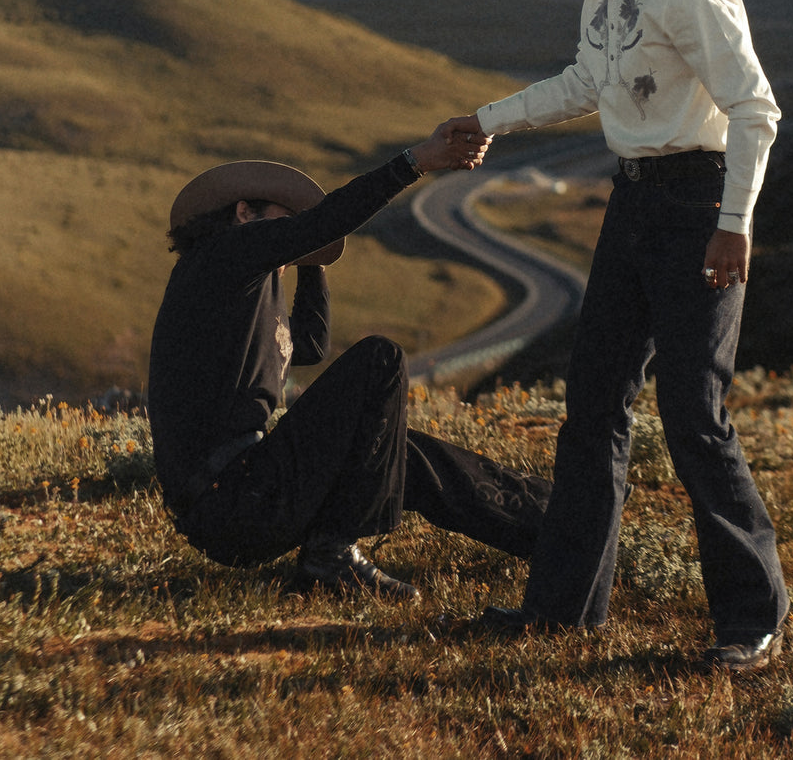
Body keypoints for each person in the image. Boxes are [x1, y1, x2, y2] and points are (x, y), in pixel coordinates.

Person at [443, 0, 789, 672]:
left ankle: (751, 620)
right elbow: (585, 82)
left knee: (693, 415)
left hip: (698, 202)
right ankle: (561, 608)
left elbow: (755, 109)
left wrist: (734, 220)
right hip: (633, 200)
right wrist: (487, 118)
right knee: (593, 403)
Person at [147, 123, 550, 601]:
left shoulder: (252, 290)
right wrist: (415, 161)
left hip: (246, 493)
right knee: (379, 360)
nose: (290, 234)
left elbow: (310, 346)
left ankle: (557, 523)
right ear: (243, 213)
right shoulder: (218, 258)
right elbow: (324, 223)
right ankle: (332, 553)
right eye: (284, 219)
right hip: (230, 498)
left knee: (398, 450)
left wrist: (311, 262)